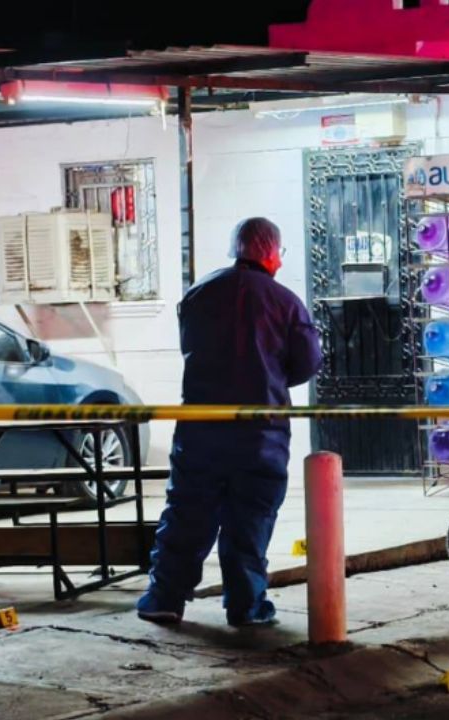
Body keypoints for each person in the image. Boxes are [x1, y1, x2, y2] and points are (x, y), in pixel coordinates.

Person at [137, 218, 322, 627]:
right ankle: (246, 605)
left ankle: (164, 597)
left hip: (201, 427)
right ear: (272, 253)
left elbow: (191, 349)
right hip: (261, 433)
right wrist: (269, 376)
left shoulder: (199, 294)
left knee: (187, 512)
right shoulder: (286, 302)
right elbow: (306, 363)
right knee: (251, 519)